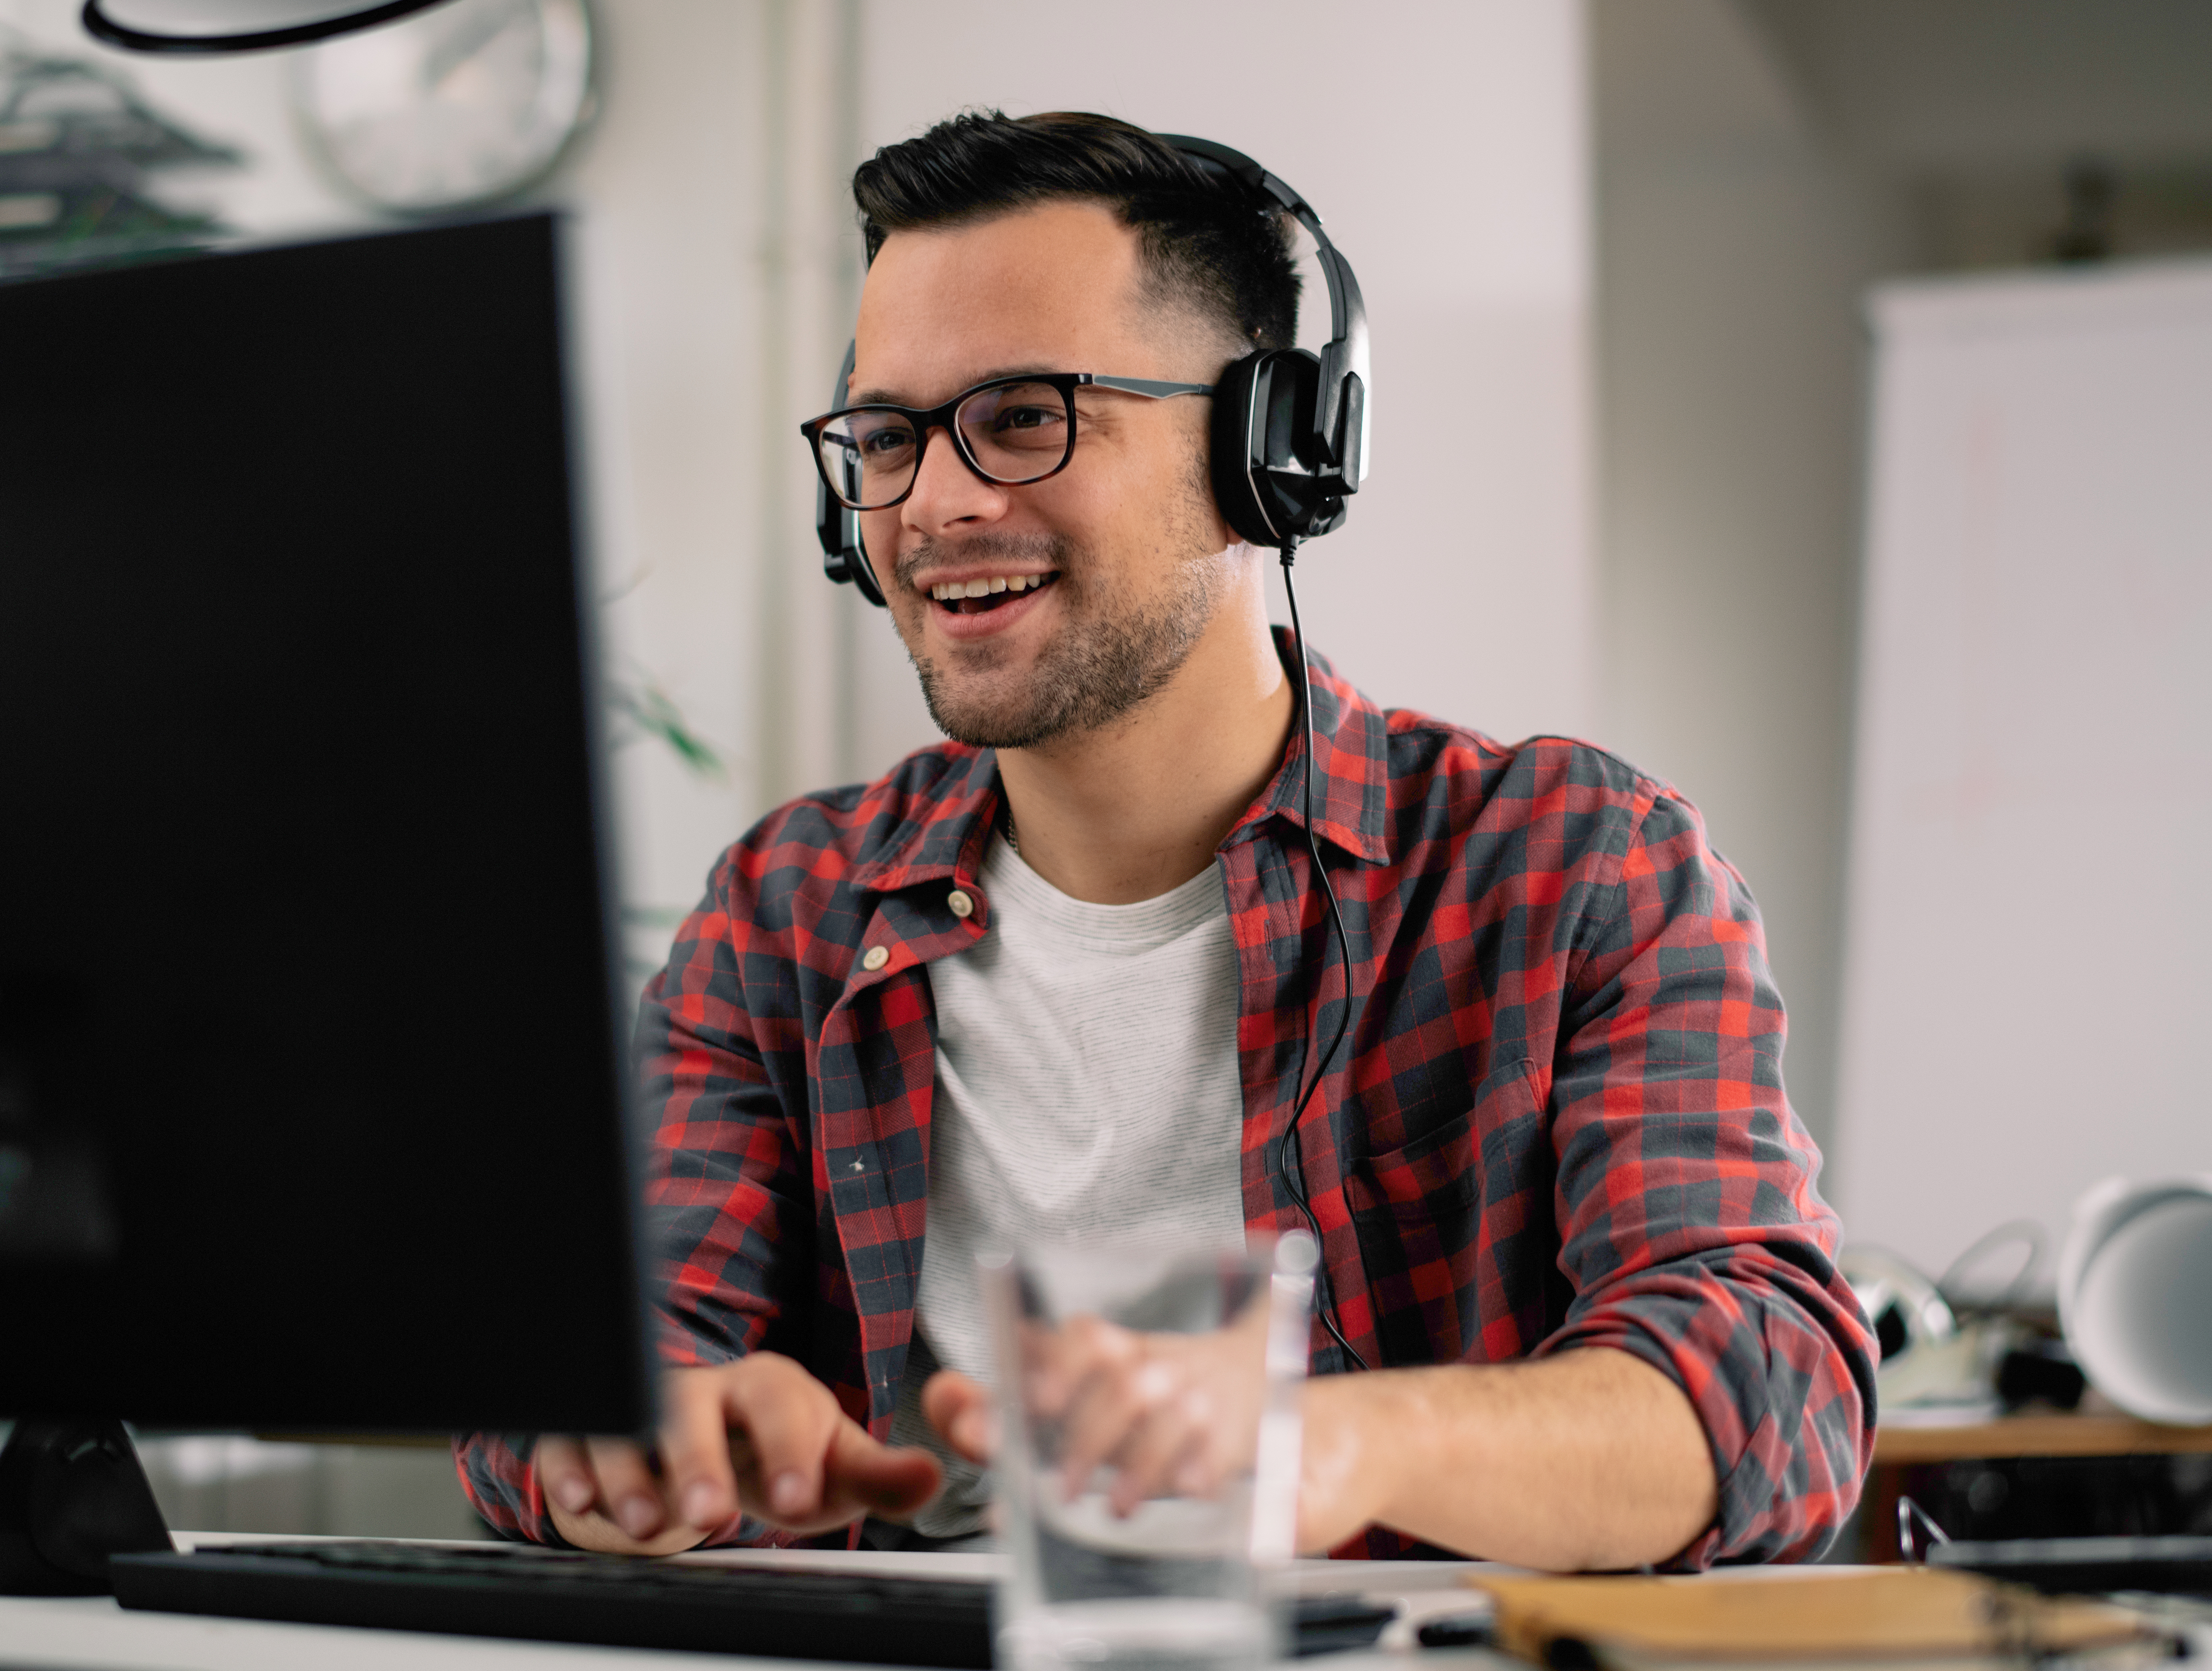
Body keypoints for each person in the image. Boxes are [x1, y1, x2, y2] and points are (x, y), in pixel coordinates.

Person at [456, 111, 1874, 1568]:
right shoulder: (791, 908)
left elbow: (1766, 1392)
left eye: (1023, 416)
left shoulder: (1573, 866)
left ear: (1271, 456)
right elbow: (548, 1403)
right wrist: (638, 1432)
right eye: (887, 436)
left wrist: (1330, 1444)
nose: (937, 502)